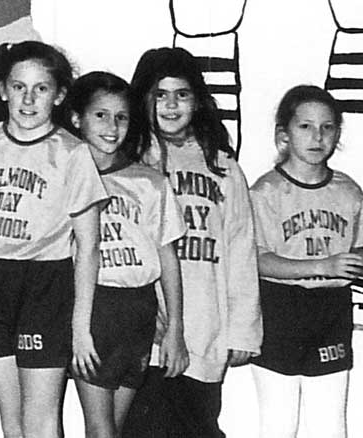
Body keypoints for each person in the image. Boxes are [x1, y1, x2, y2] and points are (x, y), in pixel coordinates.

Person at [0, 41, 106, 438]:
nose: (29, 99)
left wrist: (80, 327)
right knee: (11, 418)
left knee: (41, 419)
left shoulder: (72, 153)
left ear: (59, 94)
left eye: (41, 88)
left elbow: (88, 247)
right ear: (3, 90)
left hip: (44, 285)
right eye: (19, 87)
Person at [120, 47, 260, 438]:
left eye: (181, 94)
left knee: (197, 427)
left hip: (204, 326)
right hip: (142, 327)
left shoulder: (222, 167)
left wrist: (243, 331)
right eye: (159, 94)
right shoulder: (127, 159)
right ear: (142, 99)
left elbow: (240, 249)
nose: (170, 104)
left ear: (197, 101)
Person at [58, 72, 187, 438]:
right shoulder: (64, 175)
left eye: (122, 117)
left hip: (138, 310)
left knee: (113, 428)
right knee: (100, 430)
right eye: (101, 115)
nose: (112, 127)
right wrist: (77, 328)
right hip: (93, 305)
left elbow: (168, 259)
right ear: (76, 118)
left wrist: (175, 327)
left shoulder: (149, 181)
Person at [248, 86, 363, 438]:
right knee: (278, 425)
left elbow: (359, 252)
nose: (317, 137)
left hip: (331, 310)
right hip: (280, 309)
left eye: (327, 127)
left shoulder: (348, 190)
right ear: (283, 135)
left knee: (330, 426)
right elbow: (258, 261)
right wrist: (322, 266)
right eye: (305, 127)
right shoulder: (265, 191)